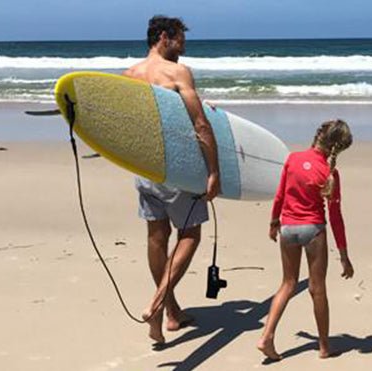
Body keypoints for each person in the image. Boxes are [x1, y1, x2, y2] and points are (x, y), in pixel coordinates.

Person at [122, 15, 220, 344]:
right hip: (175, 167)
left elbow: (127, 125)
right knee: (190, 234)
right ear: (164, 37)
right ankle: (158, 304)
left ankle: (173, 314)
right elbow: (201, 126)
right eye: (180, 41)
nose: (183, 48)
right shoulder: (177, 72)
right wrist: (213, 171)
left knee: (156, 237)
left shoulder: (129, 75)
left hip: (144, 167)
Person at [257, 119, 355, 360]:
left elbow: (280, 194)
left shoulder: (293, 159)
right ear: (336, 147)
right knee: (317, 288)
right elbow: (335, 217)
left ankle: (266, 336)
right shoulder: (330, 173)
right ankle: (324, 347)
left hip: (288, 229)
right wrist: (344, 255)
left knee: (287, 284)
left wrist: (273, 223)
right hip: (313, 231)